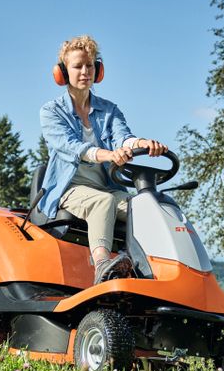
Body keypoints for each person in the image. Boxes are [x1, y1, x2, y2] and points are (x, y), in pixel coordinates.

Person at [39, 34, 168, 285]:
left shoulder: (109, 109)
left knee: (146, 207)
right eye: (78, 66)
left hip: (105, 185)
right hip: (69, 189)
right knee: (104, 202)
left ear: (98, 70)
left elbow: (123, 137)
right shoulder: (51, 112)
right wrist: (108, 155)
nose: (85, 71)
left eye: (90, 65)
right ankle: (102, 267)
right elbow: (71, 147)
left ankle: (153, 271)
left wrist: (141, 143)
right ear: (63, 73)